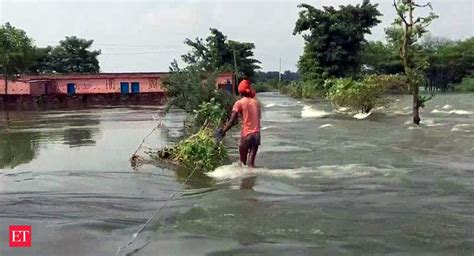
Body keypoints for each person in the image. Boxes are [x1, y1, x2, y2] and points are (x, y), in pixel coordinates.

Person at [220, 76, 261, 168]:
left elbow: (231, 121)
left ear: (240, 91)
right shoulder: (256, 103)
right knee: (251, 165)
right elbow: (258, 117)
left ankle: (244, 181)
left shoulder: (239, 103)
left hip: (246, 135)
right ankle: (251, 180)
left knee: (242, 164)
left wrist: (223, 131)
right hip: (257, 135)